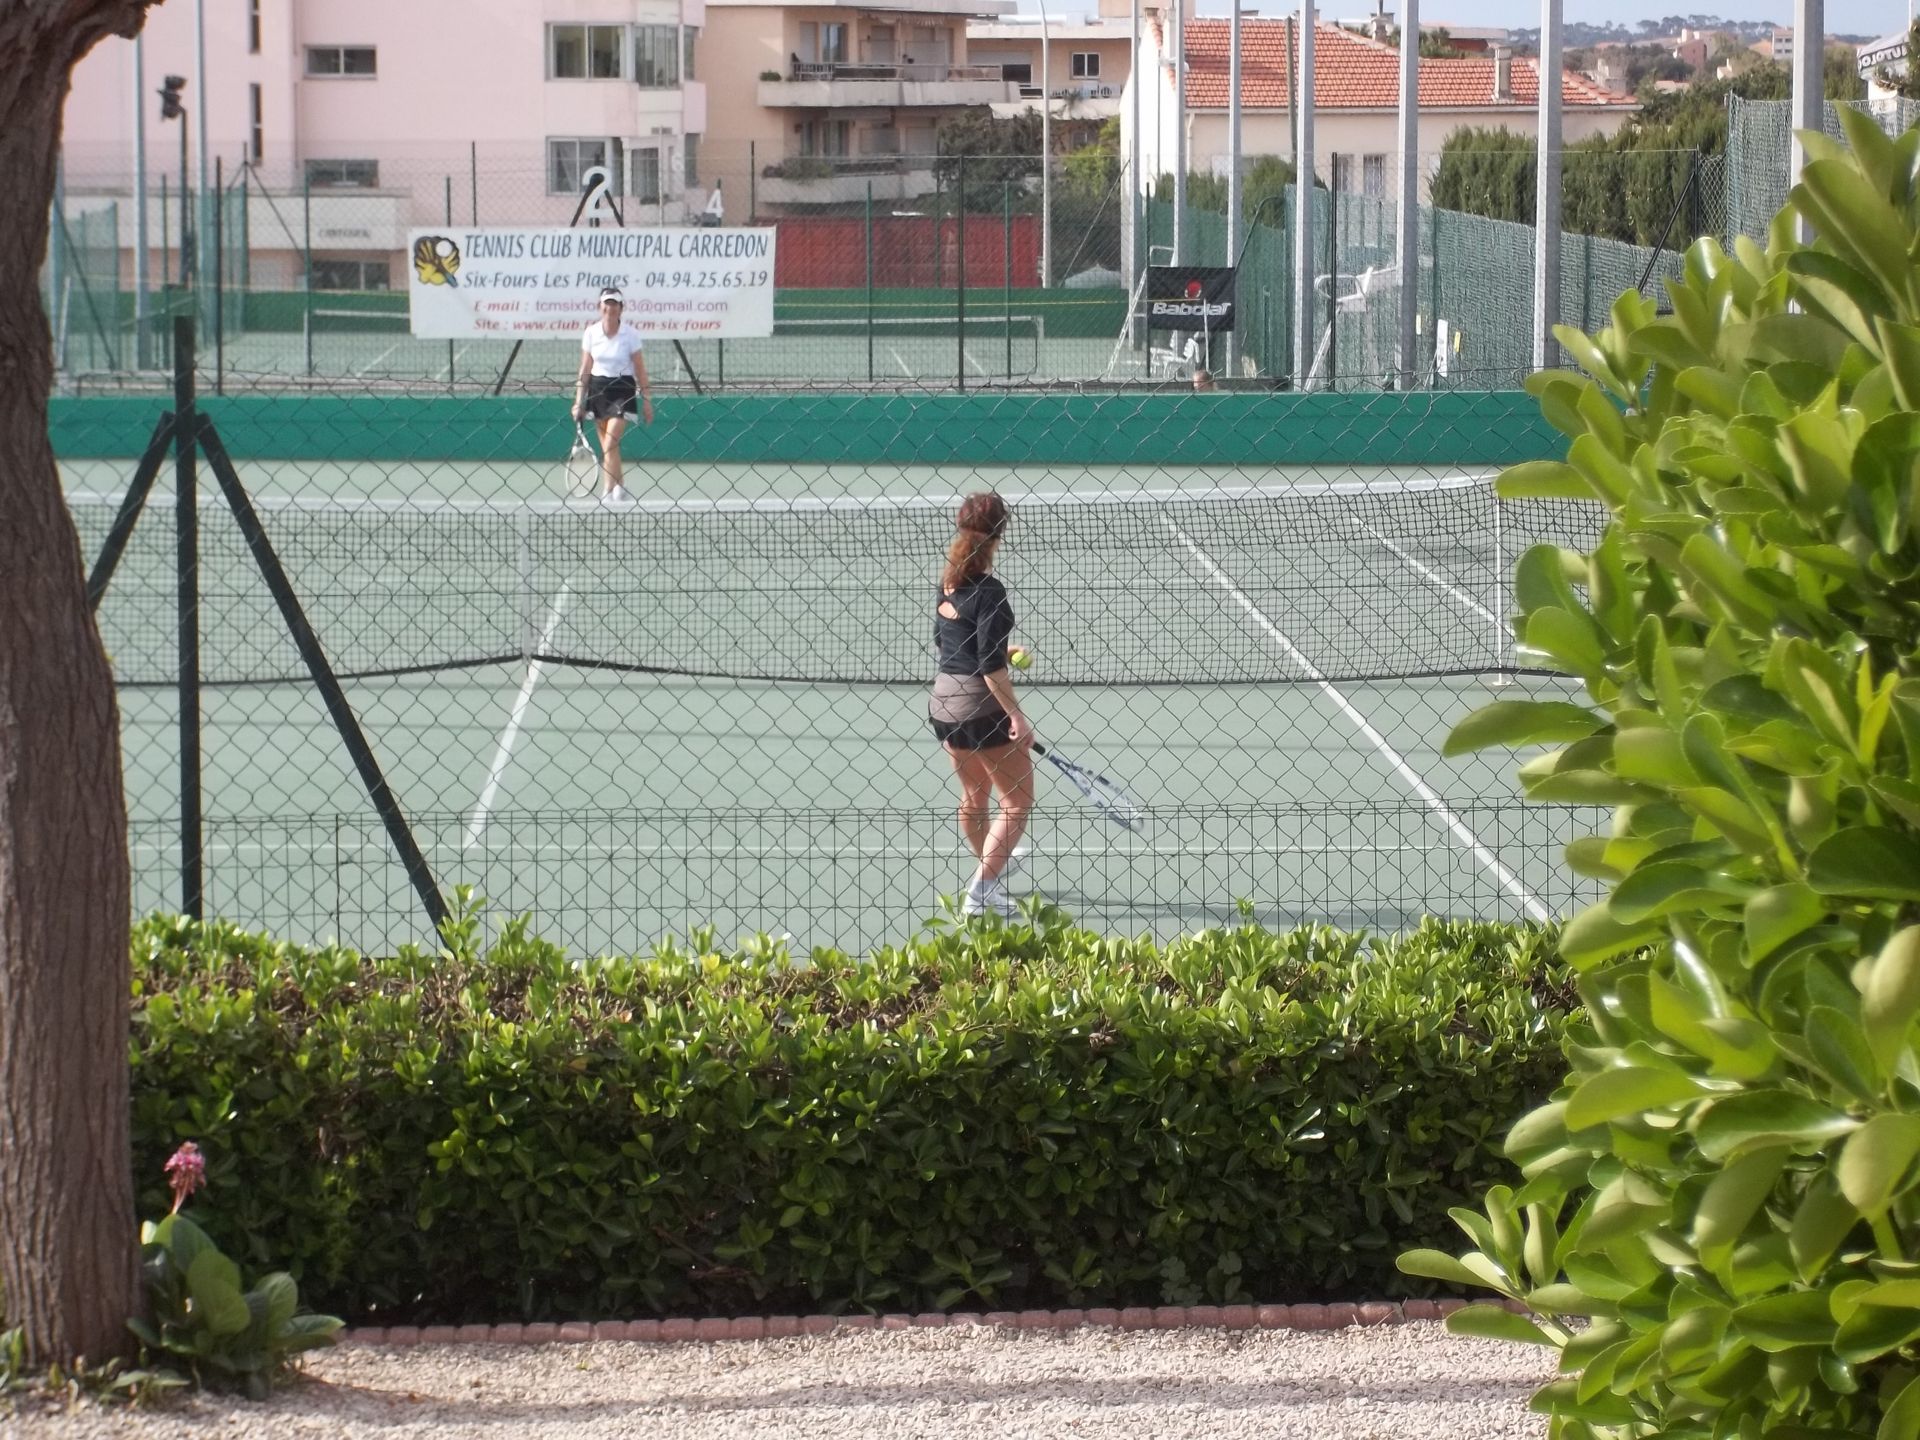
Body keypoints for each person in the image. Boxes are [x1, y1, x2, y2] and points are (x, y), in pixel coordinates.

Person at [928, 492, 1033, 918]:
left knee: (974, 794)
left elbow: (950, 643)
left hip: (943, 704)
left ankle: (988, 869)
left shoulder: (948, 582)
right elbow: (989, 666)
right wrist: (1016, 716)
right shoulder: (990, 592)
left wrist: (1003, 651)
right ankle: (982, 890)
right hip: (978, 707)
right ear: (999, 534)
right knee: (1017, 802)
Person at [571, 287, 654, 502]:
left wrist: (647, 400)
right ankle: (620, 487)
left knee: (610, 444)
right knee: (609, 448)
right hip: (597, 390)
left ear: (621, 308)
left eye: (615, 304)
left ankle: (608, 490)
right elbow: (585, 368)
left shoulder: (631, 335)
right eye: (607, 303)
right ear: (600, 307)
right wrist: (578, 401)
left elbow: (640, 369)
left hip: (622, 391)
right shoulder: (591, 333)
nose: (610, 308)